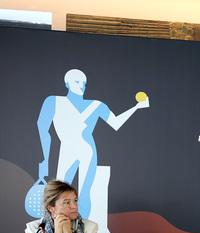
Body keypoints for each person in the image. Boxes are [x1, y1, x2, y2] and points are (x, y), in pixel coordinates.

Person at [37, 69, 149, 219]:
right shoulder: (54, 101)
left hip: (87, 151)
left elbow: (116, 123)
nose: (81, 85)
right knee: (59, 196)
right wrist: (45, 158)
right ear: (67, 83)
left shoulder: (97, 105)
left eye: (84, 83)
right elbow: (42, 128)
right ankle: (58, 230)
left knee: (84, 194)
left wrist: (136, 107)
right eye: (77, 81)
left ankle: (82, 230)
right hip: (66, 151)